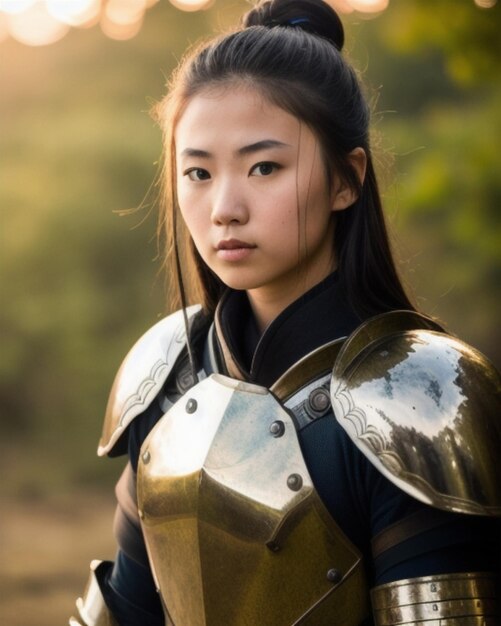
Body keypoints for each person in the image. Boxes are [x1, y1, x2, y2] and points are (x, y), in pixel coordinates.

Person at [70, 1, 501, 624]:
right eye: (197, 171)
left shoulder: (423, 396)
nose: (224, 208)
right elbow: (123, 612)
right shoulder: (164, 375)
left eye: (264, 166)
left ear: (345, 180)